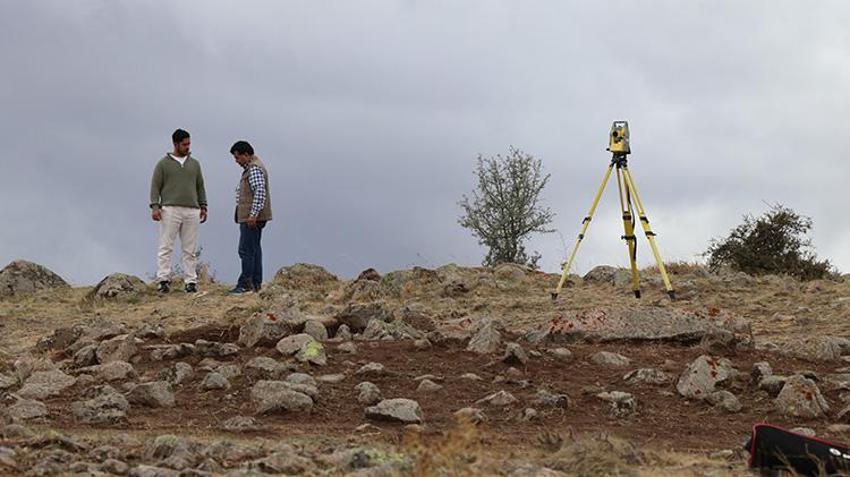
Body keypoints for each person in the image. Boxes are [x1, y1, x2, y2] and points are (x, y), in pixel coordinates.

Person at [149, 129, 208, 293]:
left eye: (189, 144)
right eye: (184, 144)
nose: (188, 147)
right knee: (166, 246)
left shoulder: (194, 164)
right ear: (175, 144)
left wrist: (203, 205)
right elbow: (155, 186)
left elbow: (200, 185)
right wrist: (155, 206)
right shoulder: (163, 164)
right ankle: (163, 280)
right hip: (170, 208)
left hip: (192, 209)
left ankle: (191, 281)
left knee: (190, 249)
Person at [229, 140, 272, 294]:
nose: (236, 161)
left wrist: (253, 214)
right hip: (252, 217)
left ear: (246, 155)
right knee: (254, 249)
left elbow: (259, 191)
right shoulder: (253, 167)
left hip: (251, 218)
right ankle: (255, 283)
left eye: (237, 157)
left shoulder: (254, 169)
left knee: (246, 250)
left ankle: (245, 284)